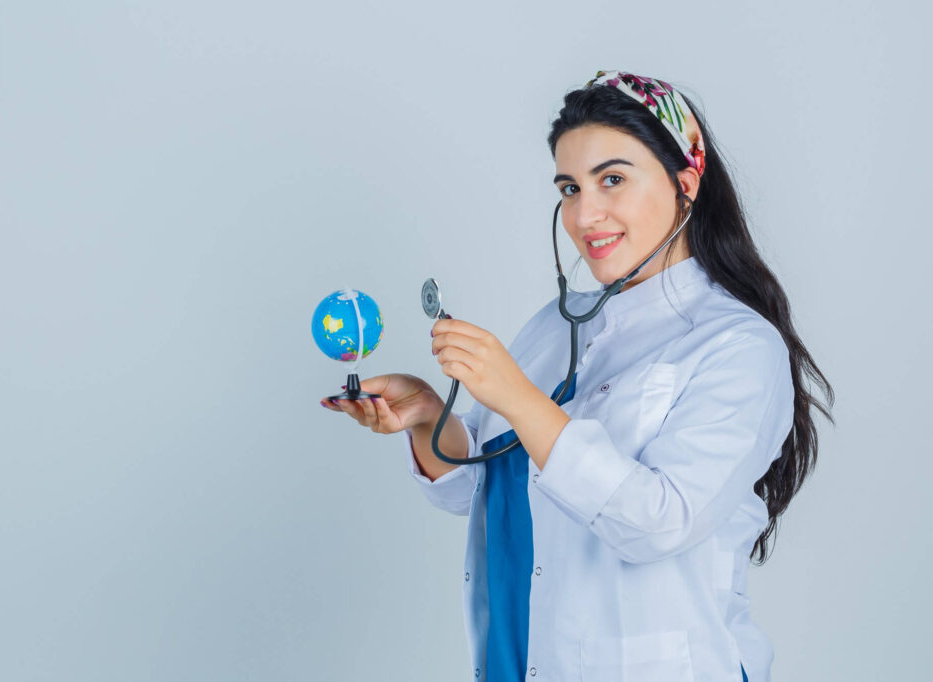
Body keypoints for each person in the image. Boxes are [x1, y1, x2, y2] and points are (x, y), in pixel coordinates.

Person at [319, 70, 834, 682]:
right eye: (568, 187)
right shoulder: (555, 326)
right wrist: (432, 417)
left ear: (685, 184)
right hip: (516, 660)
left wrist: (515, 395)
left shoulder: (739, 347)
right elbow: (475, 490)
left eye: (612, 179)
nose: (585, 213)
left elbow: (657, 523)